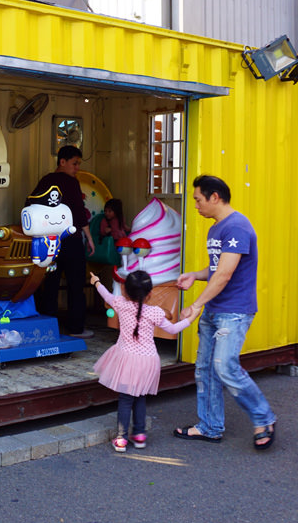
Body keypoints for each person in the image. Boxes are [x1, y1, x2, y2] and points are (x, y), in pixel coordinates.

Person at [172, 175, 277, 450]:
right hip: (215, 309)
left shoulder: (238, 227)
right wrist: (195, 274)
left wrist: (196, 305)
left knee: (225, 366)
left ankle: (263, 417)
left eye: (197, 199)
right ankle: (209, 427)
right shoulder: (216, 228)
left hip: (234, 311)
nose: (195, 205)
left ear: (214, 197)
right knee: (205, 369)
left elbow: (225, 275)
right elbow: (216, 269)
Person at [91, 270, 198, 452]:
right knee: (140, 397)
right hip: (148, 361)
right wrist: (191, 318)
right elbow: (172, 329)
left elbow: (107, 295)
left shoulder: (119, 303)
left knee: (125, 399)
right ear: (150, 294)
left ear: (124, 291)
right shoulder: (155, 312)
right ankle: (139, 435)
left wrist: (96, 282)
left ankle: (121, 439)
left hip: (126, 359)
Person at [30, 145, 95, 338]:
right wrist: (89, 238)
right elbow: (78, 212)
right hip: (70, 240)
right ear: (62, 162)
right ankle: (76, 328)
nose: (77, 168)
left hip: (48, 241)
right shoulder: (71, 183)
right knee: (76, 285)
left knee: (50, 283)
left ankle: (46, 326)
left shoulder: (45, 181)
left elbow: (31, 205)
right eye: (74, 164)